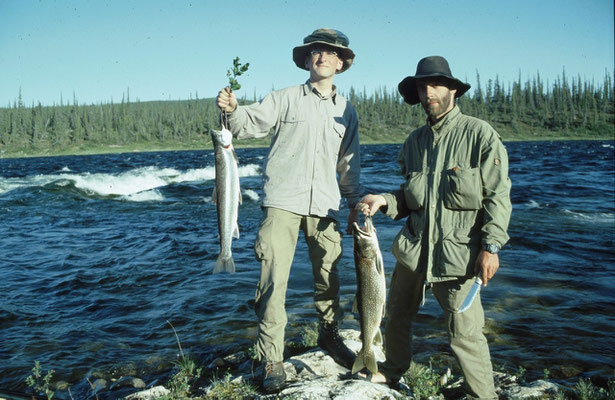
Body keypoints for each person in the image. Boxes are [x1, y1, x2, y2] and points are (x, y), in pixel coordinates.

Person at [356, 56, 512, 400]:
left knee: (464, 334)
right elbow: (411, 199)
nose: (429, 93)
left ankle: (481, 394)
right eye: (423, 87)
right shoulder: (413, 142)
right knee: (395, 314)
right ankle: (393, 372)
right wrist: (384, 200)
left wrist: (492, 247)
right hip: (414, 250)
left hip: (460, 256)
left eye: (436, 85)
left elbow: (498, 197)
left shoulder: (479, 134)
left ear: (453, 90)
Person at [216, 28, 363, 392]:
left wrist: (354, 203)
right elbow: (248, 124)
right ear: (307, 58)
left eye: (331, 53)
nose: (323, 57)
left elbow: (349, 162)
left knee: (329, 277)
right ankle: (271, 359)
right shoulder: (283, 98)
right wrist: (232, 110)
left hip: (325, 203)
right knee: (272, 281)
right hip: (281, 200)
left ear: (341, 63)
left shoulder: (348, 111)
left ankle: (329, 336)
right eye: (317, 51)